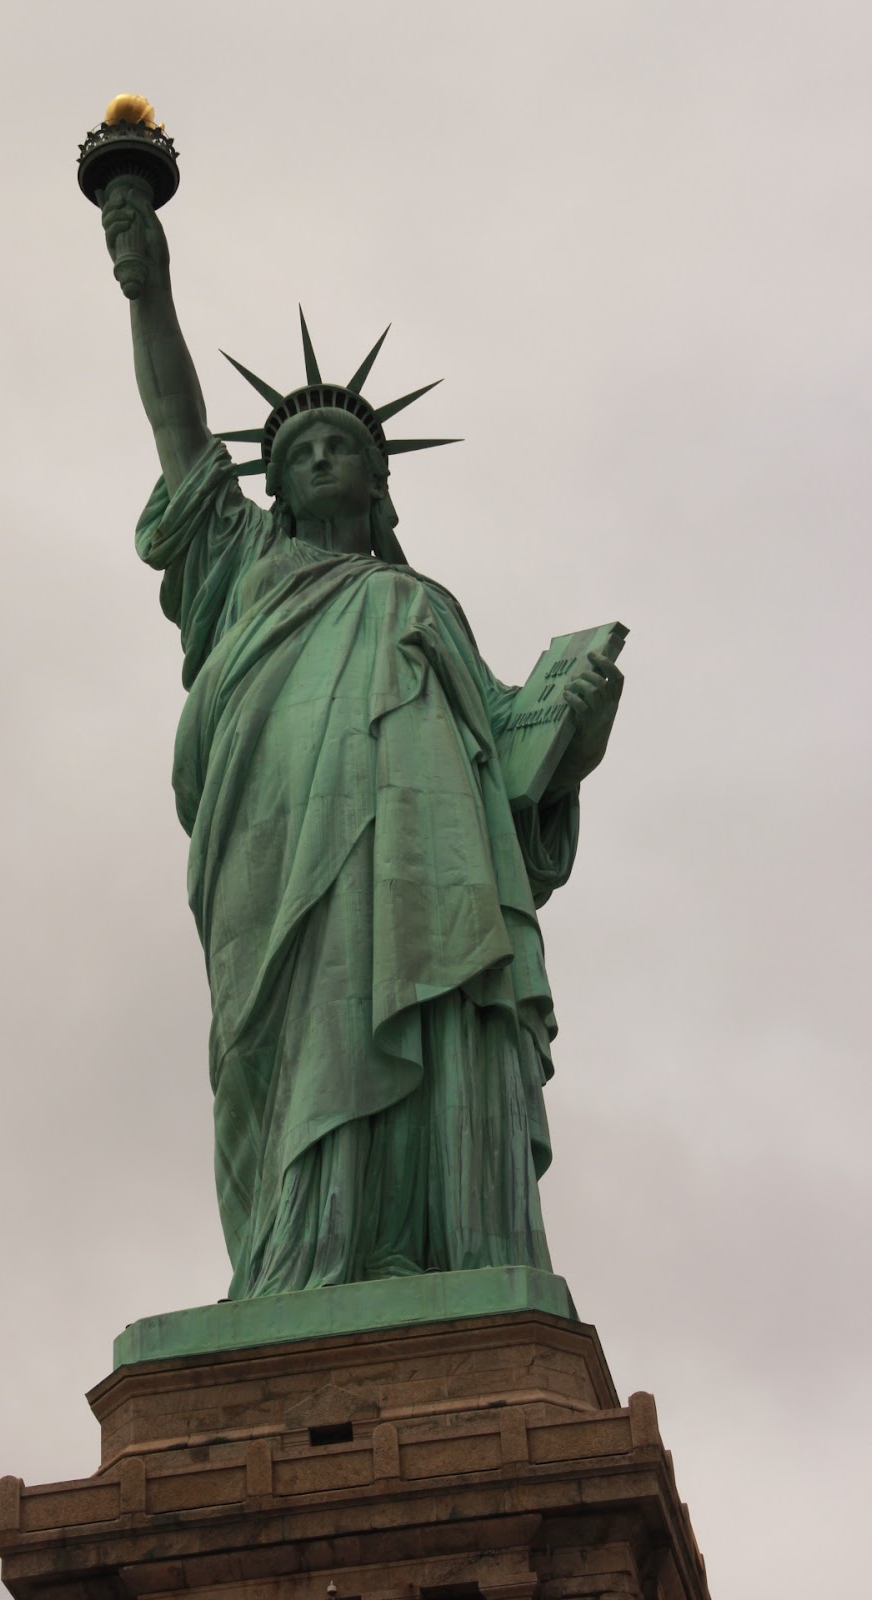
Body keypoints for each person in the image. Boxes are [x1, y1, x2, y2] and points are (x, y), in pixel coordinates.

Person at [101, 184, 624, 1301]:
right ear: (274, 488)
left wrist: (568, 716)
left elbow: (510, 775)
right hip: (270, 844)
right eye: (302, 449)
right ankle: (300, 1256)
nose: (325, 456)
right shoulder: (241, 570)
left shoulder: (420, 605)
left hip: (419, 870)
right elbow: (178, 430)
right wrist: (150, 289)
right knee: (286, 1043)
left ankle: (426, 1245)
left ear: (379, 482)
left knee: (429, 1004)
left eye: (344, 444)